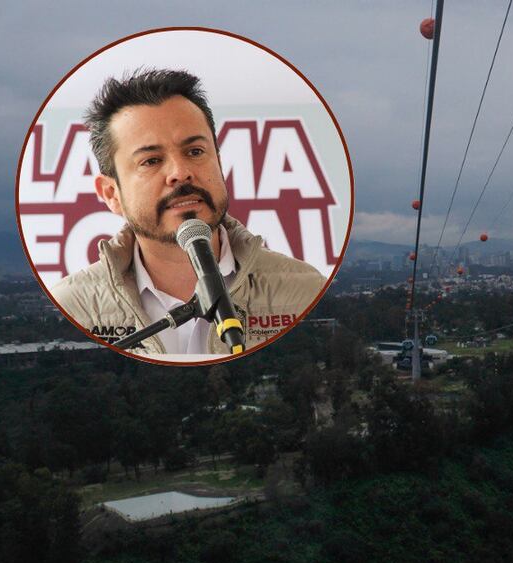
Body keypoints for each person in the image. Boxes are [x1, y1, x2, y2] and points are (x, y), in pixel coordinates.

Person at [51, 68, 328, 355]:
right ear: (112, 194)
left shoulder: (305, 290)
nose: (180, 173)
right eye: (151, 161)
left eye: (195, 152)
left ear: (219, 165)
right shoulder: (73, 305)